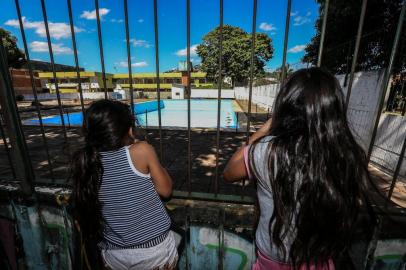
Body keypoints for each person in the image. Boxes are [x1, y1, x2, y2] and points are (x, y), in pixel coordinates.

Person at [224, 68, 373, 269]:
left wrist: (265, 127)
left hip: (274, 260)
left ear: (285, 105)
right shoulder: (347, 154)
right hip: (320, 257)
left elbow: (229, 172)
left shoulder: (266, 151)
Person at [71, 99, 177, 270]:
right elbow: (166, 190)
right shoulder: (141, 150)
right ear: (129, 129)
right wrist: (152, 159)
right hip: (153, 250)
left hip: (114, 253)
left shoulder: (87, 161)